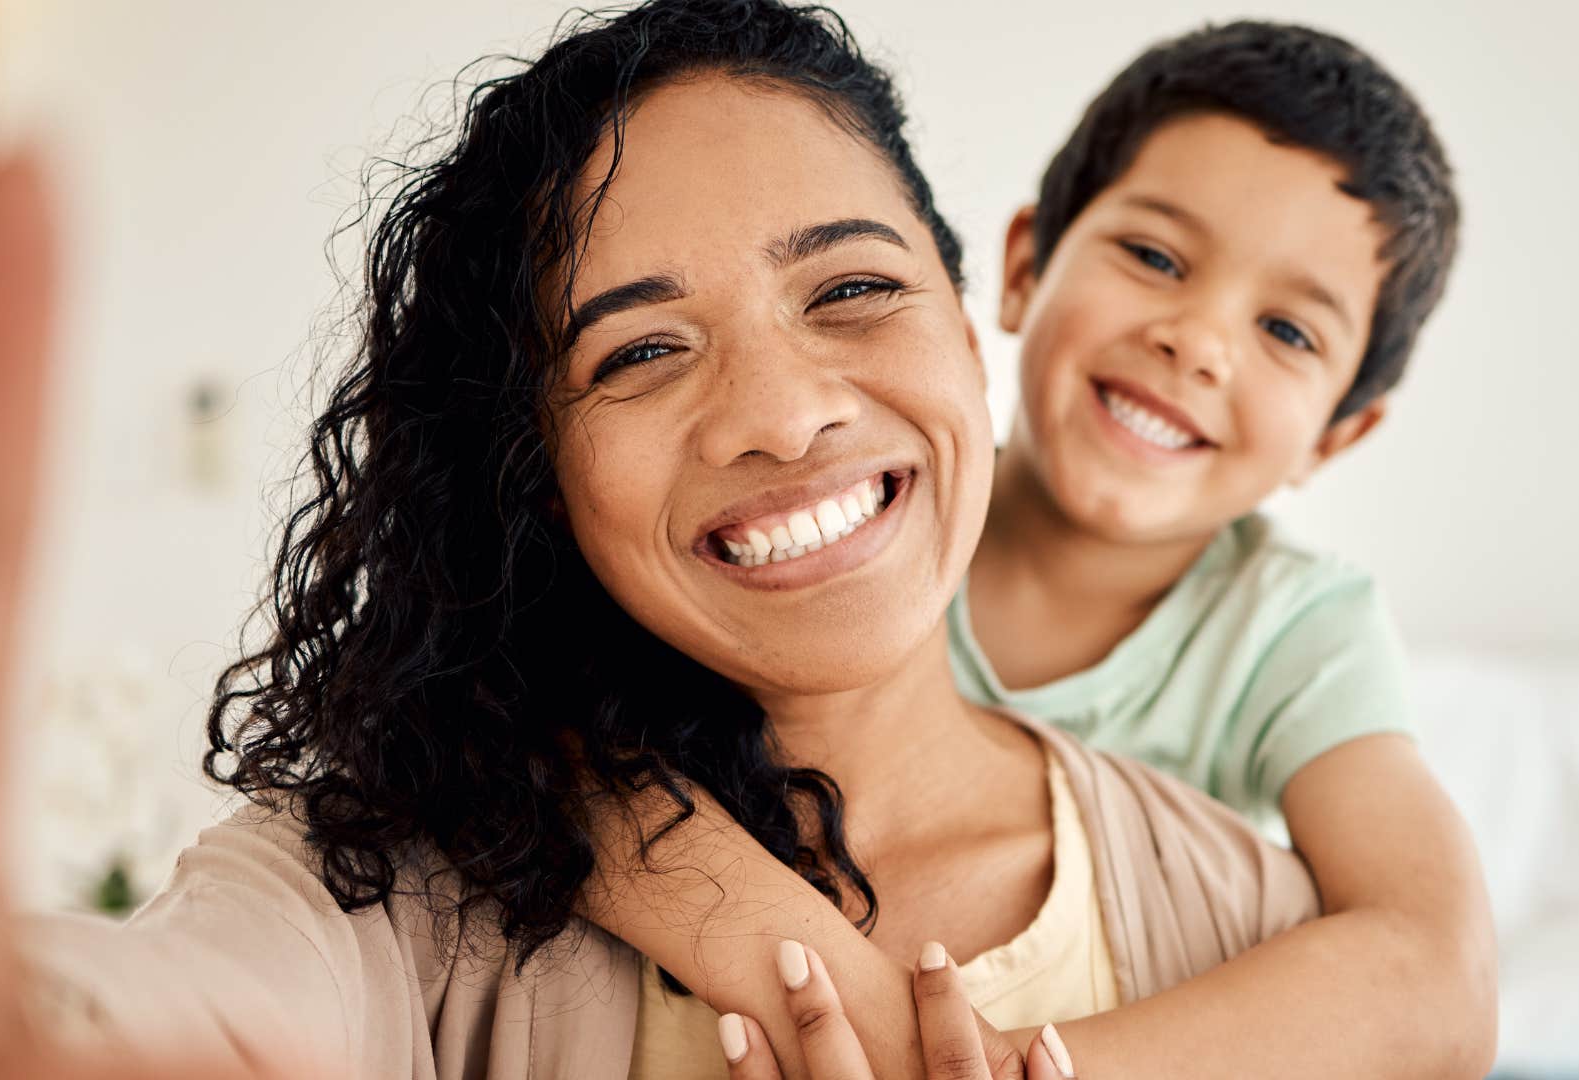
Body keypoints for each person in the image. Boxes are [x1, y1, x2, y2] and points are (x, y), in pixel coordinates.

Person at [0, 2, 1318, 1077]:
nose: (784, 418)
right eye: (640, 352)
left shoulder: (1247, 920)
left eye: (851, 287)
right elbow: (187, 996)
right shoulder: (389, 896)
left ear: (967, 341)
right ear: (538, 471)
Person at [592, 18, 1498, 1079]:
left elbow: (1441, 978)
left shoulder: (1295, 628)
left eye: (1288, 332)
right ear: (1021, 268)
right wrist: (887, 1022)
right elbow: (573, 786)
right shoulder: (860, 523)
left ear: (1338, 434)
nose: (1196, 343)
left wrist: (1005, 1066)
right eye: (1155, 257)